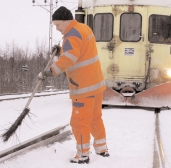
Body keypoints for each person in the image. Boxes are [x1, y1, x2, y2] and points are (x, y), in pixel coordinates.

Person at [38, 6, 109, 164]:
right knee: (95, 118)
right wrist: (60, 52)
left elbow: (69, 60)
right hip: (96, 85)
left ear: (66, 21)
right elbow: (79, 52)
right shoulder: (83, 28)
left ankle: (83, 155)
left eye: (58, 25)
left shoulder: (71, 36)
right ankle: (102, 149)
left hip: (83, 87)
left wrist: (48, 72)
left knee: (79, 122)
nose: (57, 29)